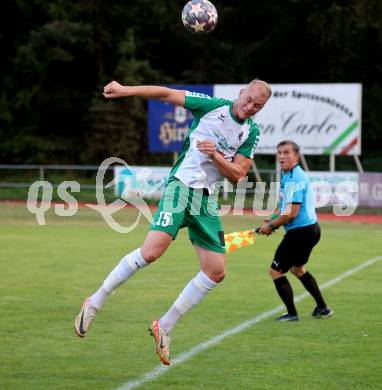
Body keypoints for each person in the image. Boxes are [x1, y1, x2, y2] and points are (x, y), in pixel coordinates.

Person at [74, 79, 272, 364]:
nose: (250, 107)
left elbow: (238, 174)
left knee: (216, 271)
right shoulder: (211, 106)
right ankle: (95, 301)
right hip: (181, 187)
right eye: (249, 99)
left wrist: (214, 154)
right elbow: (166, 93)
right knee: (151, 252)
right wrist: (125, 90)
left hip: (205, 200)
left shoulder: (251, 132)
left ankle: (164, 326)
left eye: (258, 105)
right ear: (241, 93)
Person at [259, 140, 333, 321]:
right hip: (309, 230)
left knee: (275, 271)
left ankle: (292, 314)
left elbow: (292, 213)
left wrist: (271, 226)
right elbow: (283, 206)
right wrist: (273, 218)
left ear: (296, 156)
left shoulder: (295, 177)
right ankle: (322, 308)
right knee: (298, 269)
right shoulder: (288, 175)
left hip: (301, 233)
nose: (282, 156)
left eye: (286, 152)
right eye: (279, 153)